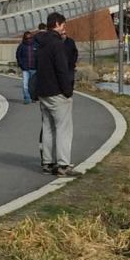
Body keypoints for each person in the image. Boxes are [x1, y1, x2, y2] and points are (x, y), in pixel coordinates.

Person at [34, 11, 79, 176]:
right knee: (63, 128)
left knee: (47, 127)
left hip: (43, 91)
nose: (63, 29)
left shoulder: (40, 43)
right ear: (58, 24)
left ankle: (47, 162)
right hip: (57, 92)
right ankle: (63, 165)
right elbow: (61, 69)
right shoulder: (57, 44)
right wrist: (67, 91)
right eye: (63, 25)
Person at [16, 30, 37, 104]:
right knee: (25, 84)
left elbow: (39, 56)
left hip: (34, 68)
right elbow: (18, 56)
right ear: (24, 38)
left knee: (34, 85)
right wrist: (21, 65)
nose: (29, 40)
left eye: (30, 38)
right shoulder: (21, 46)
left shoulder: (36, 45)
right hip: (25, 69)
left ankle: (33, 97)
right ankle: (27, 98)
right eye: (27, 38)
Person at [62, 23, 79, 90]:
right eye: (62, 34)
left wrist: (73, 60)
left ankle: (70, 89)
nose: (63, 35)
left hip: (70, 64)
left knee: (71, 79)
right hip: (62, 65)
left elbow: (75, 52)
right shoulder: (57, 42)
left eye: (65, 34)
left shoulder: (70, 41)